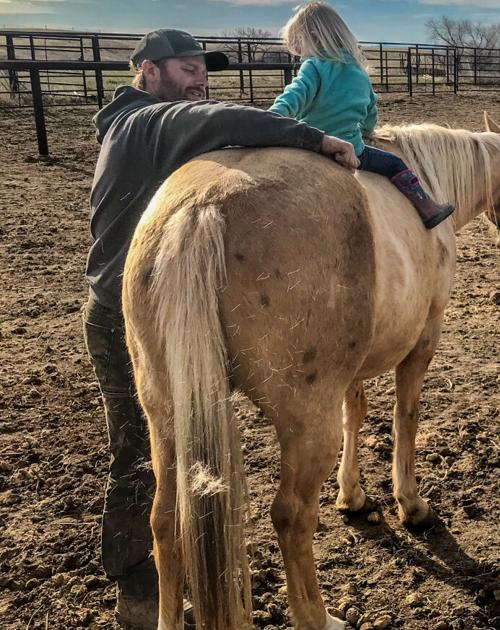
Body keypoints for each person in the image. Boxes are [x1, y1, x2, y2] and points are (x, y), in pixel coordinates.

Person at [86, 28, 358, 629]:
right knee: (141, 459)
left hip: (155, 299)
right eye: (186, 67)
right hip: (120, 313)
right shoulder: (143, 121)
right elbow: (215, 117)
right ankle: (138, 594)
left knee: (173, 456)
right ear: (147, 71)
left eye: (201, 67)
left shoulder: (143, 124)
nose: (198, 76)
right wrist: (313, 137)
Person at [269, 1, 454, 229]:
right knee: (395, 164)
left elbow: (293, 98)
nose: (298, 53)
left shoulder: (314, 67)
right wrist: (366, 132)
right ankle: (428, 208)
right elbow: (369, 113)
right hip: (353, 148)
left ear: (315, 38)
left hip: (314, 145)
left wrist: (271, 120)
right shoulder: (359, 72)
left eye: (299, 44)